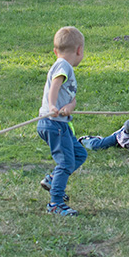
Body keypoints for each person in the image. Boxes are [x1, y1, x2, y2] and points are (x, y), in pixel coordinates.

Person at [37, 27, 87, 216]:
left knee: (79, 154)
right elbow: (55, 85)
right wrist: (52, 106)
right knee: (66, 163)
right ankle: (55, 203)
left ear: (55, 50)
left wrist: (70, 107)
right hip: (54, 123)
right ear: (79, 50)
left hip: (59, 123)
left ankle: (53, 180)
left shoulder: (63, 65)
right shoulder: (63, 65)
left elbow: (70, 99)